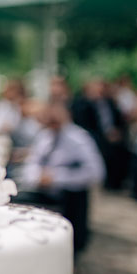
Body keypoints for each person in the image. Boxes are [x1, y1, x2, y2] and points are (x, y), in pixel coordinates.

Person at [14, 101, 105, 253]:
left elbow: (96, 172)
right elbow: (32, 164)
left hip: (68, 194)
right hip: (43, 191)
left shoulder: (79, 139)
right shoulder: (45, 136)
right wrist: (38, 176)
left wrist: (57, 177)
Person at [71, 77, 129, 190]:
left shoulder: (110, 102)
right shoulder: (83, 103)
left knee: (122, 149)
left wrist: (116, 131)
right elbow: (84, 123)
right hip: (96, 136)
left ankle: (117, 182)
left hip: (112, 134)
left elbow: (119, 119)